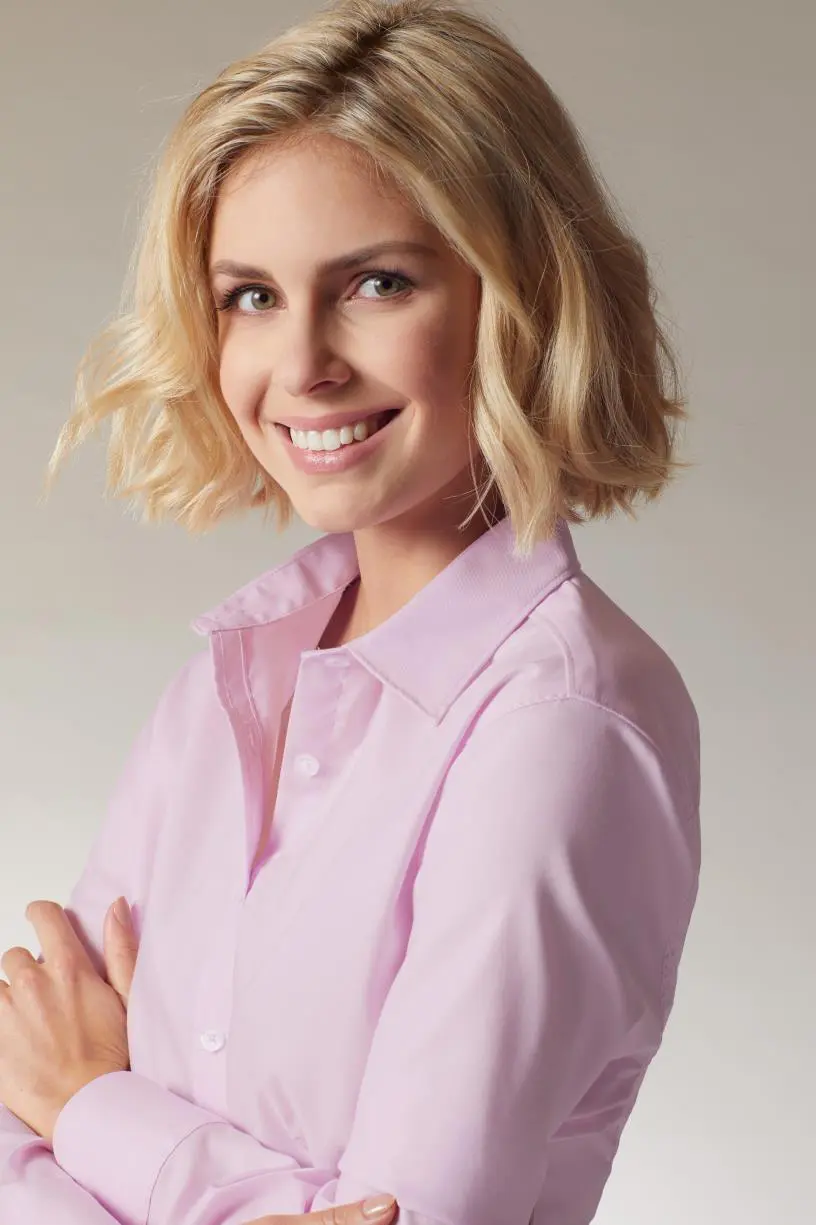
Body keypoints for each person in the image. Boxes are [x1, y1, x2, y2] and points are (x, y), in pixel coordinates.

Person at [0, 1, 702, 1222]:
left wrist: (95, 1106)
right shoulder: (224, 686)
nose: (303, 364)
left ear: (519, 297)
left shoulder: (561, 725)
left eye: (377, 283)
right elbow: (19, 1102)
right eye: (250, 296)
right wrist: (77, 1108)